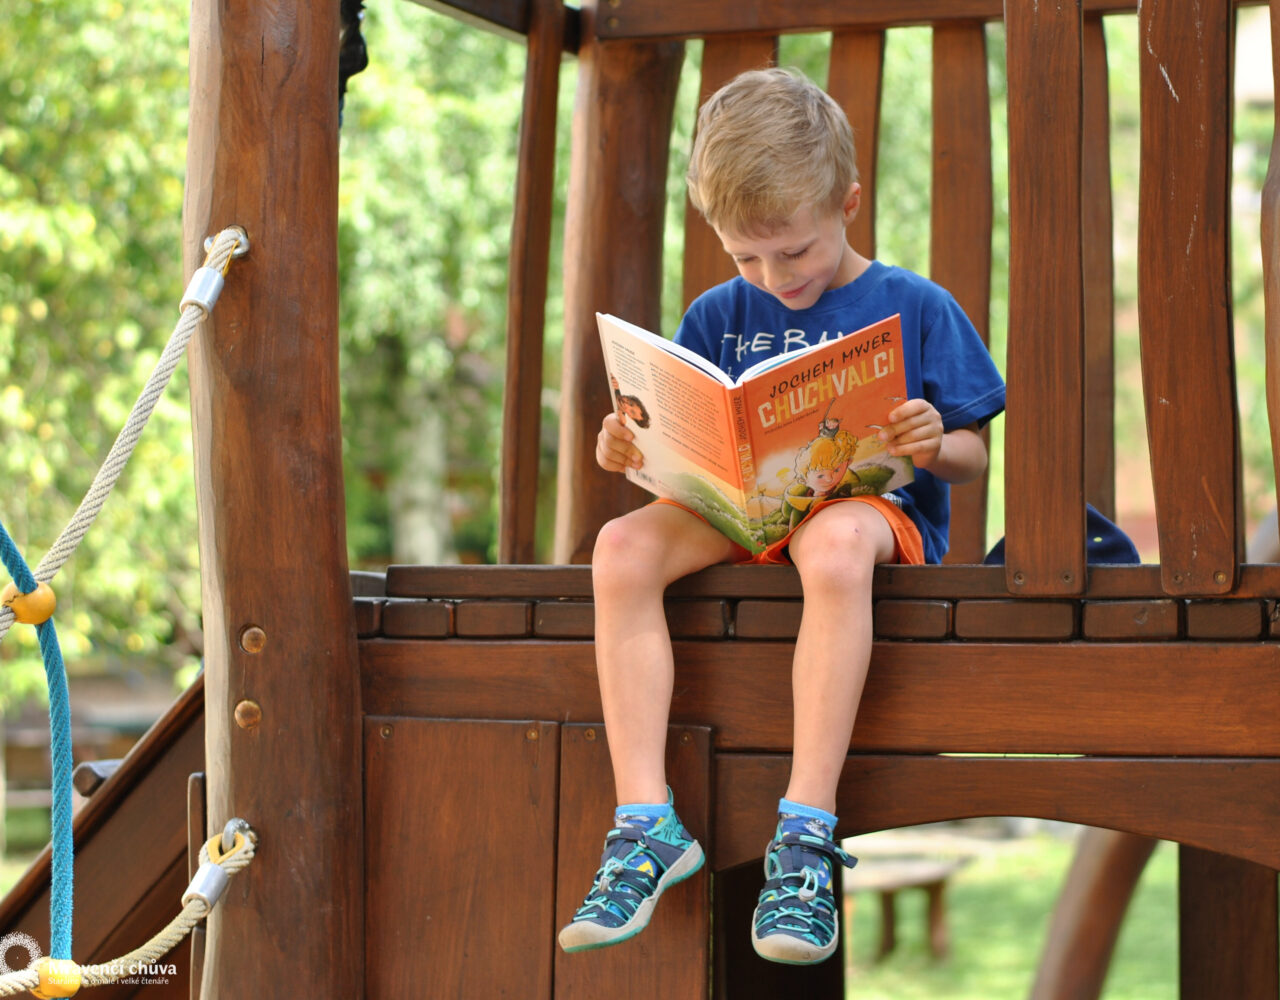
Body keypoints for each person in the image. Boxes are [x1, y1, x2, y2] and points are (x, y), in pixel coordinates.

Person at [557, 66, 1006, 965]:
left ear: (847, 201)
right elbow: (689, 456)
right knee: (618, 548)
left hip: (871, 516)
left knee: (834, 539)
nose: (773, 276)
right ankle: (645, 821)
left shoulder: (915, 306)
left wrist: (927, 438)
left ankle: (804, 831)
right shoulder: (718, 313)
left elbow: (971, 457)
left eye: (793, 252)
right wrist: (632, 450)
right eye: (745, 258)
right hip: (746, 516)